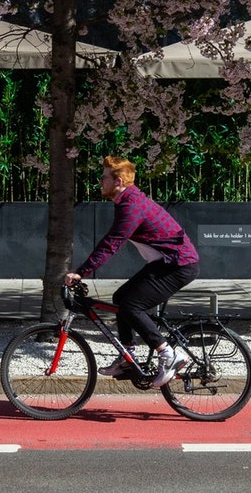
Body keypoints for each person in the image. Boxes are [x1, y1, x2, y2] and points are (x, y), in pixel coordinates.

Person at [63, 155, 199, 388]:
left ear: (118, 181)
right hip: (167, 263)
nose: (100, 182)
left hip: (178, 265)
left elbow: (112, 243)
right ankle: (128, 357)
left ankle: (167, 353)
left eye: (104, 177)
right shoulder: (127, 202)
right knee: (120, 299)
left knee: (131, 305)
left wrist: (82, 272)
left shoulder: (132, 206)